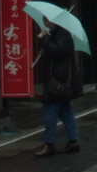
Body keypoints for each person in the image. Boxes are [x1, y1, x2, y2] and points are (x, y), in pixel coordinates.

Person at [34, 18, 82, 157]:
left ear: (56, 21)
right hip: (59, 81)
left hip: (58, 82)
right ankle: (73, 141)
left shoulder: (63, 35)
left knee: (50, 111)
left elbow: (58, 51)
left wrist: (44, 39)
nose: (46, 24)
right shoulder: (57, 35)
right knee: (66, 111)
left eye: (47, 21)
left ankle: (49, 144)